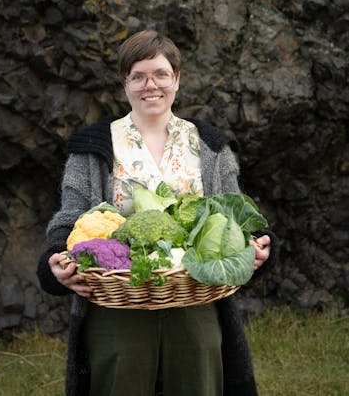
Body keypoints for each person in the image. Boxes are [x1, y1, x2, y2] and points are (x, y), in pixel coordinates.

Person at [37, 30, 279, 396]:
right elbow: (70, 219)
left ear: (177, 80)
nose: (151, 85)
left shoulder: (212, 147)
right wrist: (56, 261)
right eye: (138, 76)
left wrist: (260, 246)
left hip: (196, 302)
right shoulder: (92, 146)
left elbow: (236, 214)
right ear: (125, 83)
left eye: (161, 74)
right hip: (118, 308)